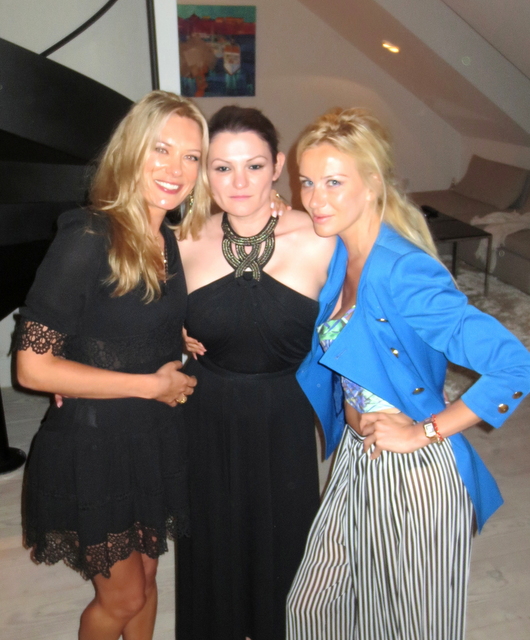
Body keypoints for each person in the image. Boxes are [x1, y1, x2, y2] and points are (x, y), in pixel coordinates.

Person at [286, 107, 530, 640]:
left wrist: (423, 431)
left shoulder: (404, 270)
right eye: (306, 181)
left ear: (373, 183)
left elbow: (515, 366)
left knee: (412, 626)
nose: (315, 198)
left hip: (413, 474)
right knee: (312, 607)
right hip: (356, 459)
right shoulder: (339, 250)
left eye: (333, 181)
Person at [15, 90, 208, 640]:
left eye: (191, 157)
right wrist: (151, 385)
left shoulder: (165, 238)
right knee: (122, 598)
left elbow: (120, 317)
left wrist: (177, 331)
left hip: (151, 438)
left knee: (146, 580)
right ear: (130, 151)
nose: (176, 169)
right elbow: (32, 368)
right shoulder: (89, 236)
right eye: (161, 149)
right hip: (95, 445)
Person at [176, 106, 336, 640]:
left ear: (278, 166)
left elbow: (371, 324)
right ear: (206, 172)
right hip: (207, 413)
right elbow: (135, 317)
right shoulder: (181, 242)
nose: (239, 182)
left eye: (254, 165)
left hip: (285, 415)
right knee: (214, 542)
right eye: (222, 167)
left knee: (284, 544)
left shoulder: (322, 238)